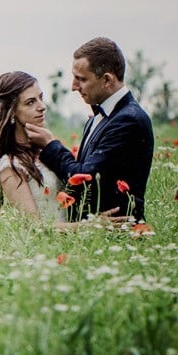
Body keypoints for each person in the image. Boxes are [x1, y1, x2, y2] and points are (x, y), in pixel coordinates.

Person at [24, 37, 154, 222]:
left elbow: (84, 177)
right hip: (93, 231)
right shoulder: (99, 118)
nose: (73, 87)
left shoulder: (128, 120)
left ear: (107, 79)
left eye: (81, 79)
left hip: (117, 234)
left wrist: (50, 145)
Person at [0, 71, 67, 224]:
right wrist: (91, 226)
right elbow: (34, 228)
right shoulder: (10, 165)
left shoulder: (47, 149)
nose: (42, 107)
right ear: (12, 112)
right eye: (30, 102)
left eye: (40, 98)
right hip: (49, 247)